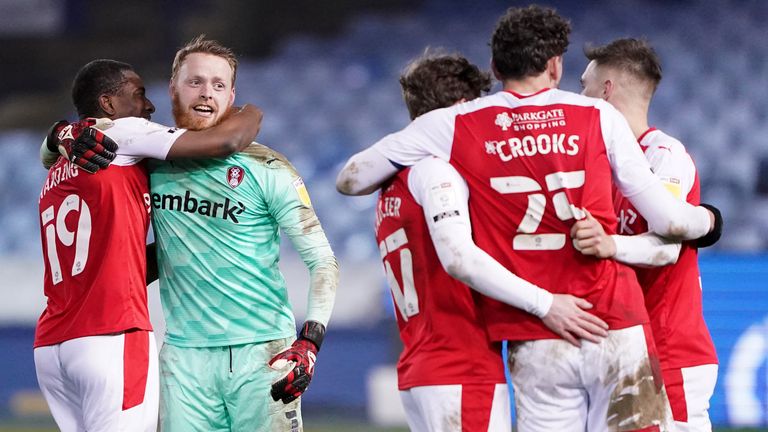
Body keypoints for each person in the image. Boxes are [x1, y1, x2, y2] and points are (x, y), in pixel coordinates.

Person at [336, 5, 721, 431]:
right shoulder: (598, 115)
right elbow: (669, 221)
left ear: (496, 66)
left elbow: (352, 178)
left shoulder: (456, 123)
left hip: (536, 330)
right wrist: (709, 222)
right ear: (555, 65)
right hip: (613, 319)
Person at [57, 36, 339, 431]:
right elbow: (72, 142)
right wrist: (58, 135)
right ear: (172, 89)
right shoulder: (149, 160)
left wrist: (308, 344)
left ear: (231, 96)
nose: (207, 93)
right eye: (195, 82)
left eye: (219, 85)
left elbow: (322, 260)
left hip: (262, 354)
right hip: (184, 361)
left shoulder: (268, 166)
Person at [379, 51, 611, 432]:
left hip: (422, 366)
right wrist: (546, 303)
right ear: (458, 109)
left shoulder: (392, 182)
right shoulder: (438, 174)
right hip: (461, 366)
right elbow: (459, 259)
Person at [35, 59, 263, 432]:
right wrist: (250, 111)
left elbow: (116, 262)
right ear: (108, 104)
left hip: (53, 344)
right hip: (111, 335)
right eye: (138, 94)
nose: (149, 105)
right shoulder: (123, 132)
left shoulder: (59, 167)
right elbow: (228, 141)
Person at [574, 38, 719, 432]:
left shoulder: (663, 156)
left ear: (606, 91)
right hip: (626, 349)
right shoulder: (601, 165)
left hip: (671, 348)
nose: (579, 96)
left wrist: (610, 244)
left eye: (584, 86)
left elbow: (668, 246)